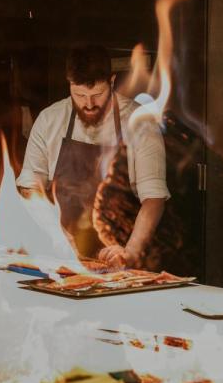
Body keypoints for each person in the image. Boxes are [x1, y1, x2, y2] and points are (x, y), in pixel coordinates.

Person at [17, 45, 169, 268]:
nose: (88, 104)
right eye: (79, 95)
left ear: (112, 81)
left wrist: (131, 252)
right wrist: (53, 232)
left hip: (120, 257)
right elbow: (30, 187)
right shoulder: (50, 120)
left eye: (97, 94)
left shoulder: (140, 123)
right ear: (69, 84)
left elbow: (153, 198)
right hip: (63, 259)